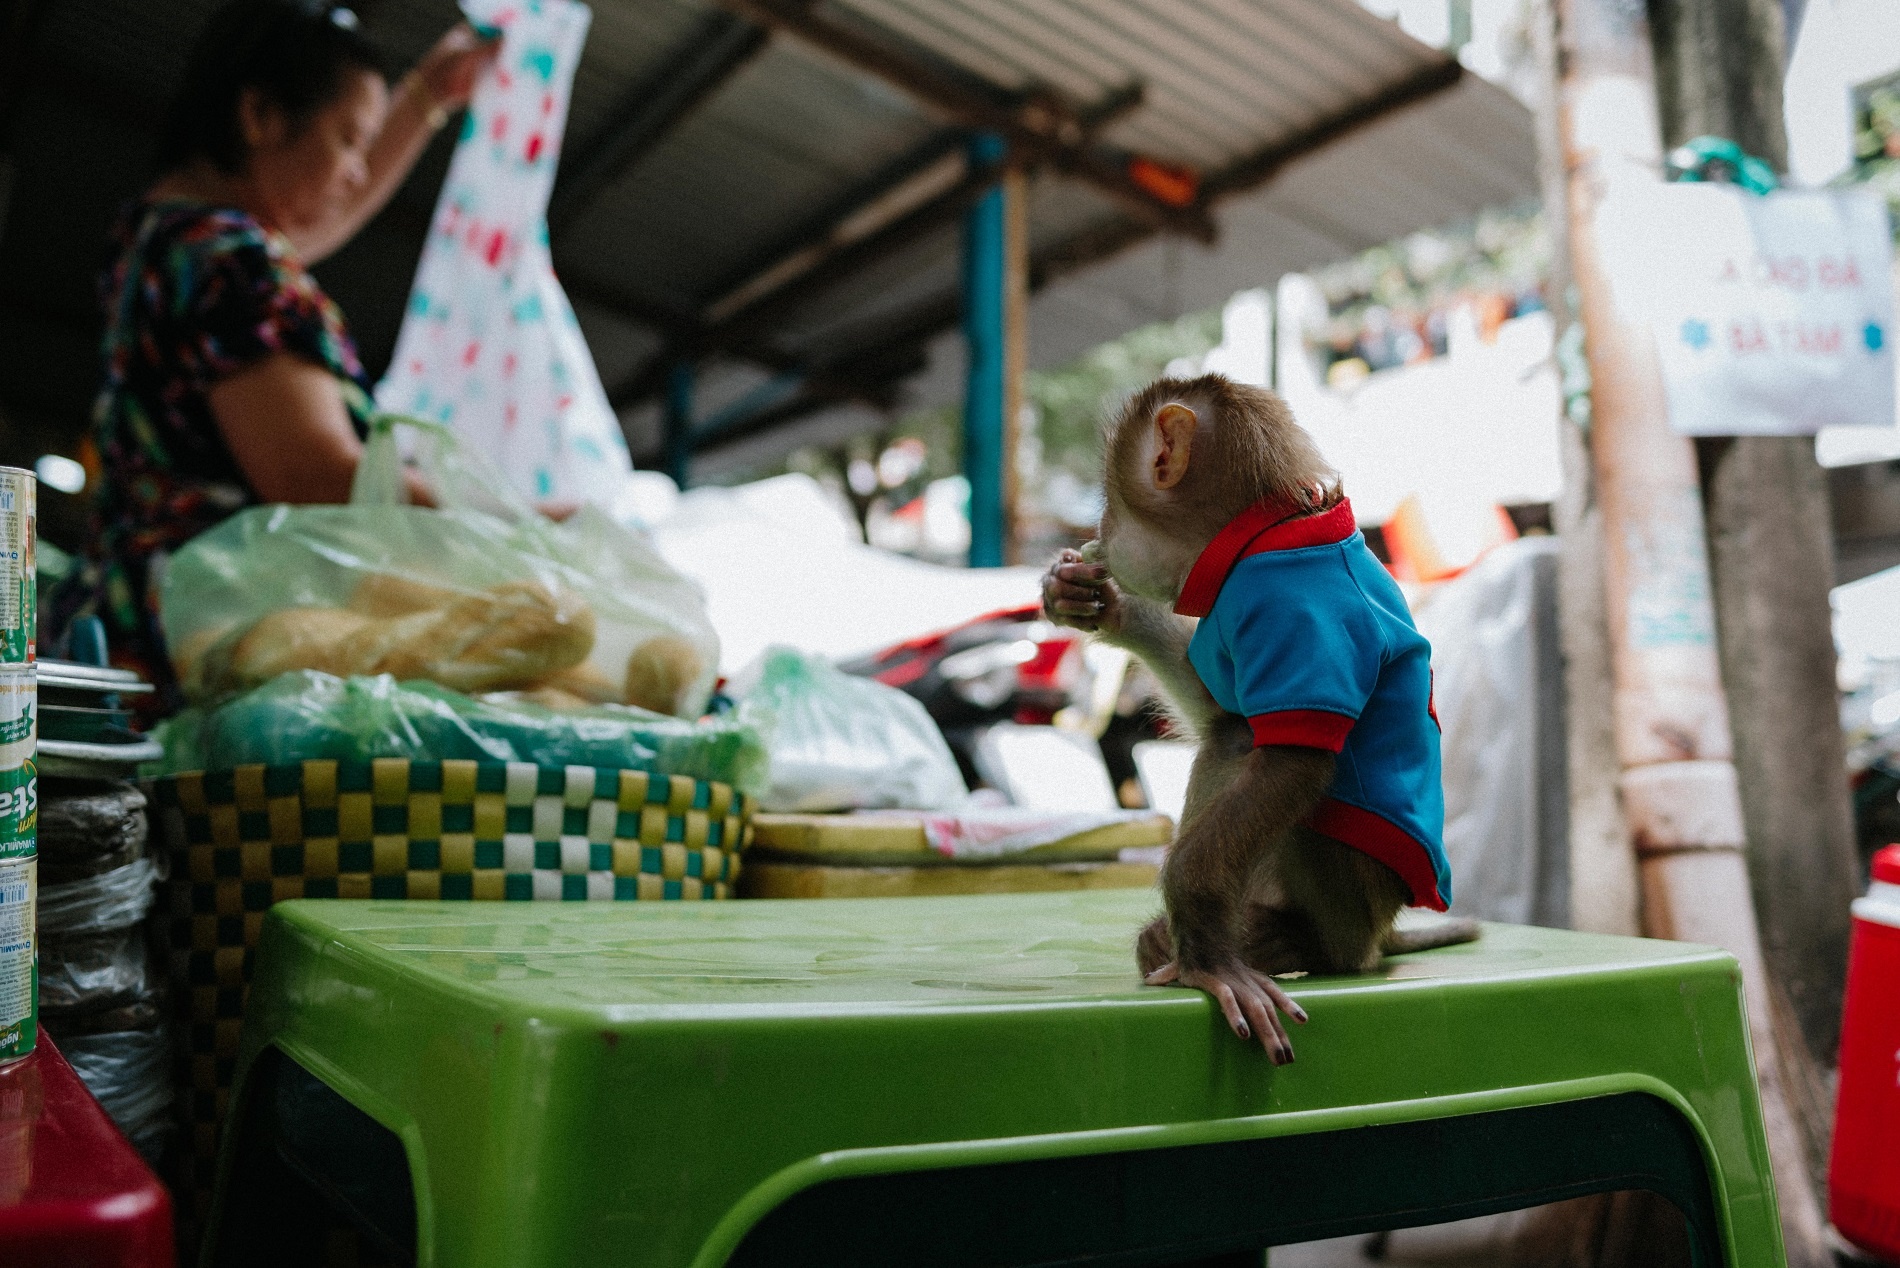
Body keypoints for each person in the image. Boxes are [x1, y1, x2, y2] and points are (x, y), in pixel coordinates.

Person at [61, 0, 499, 705]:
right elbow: (318, 474)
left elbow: (320, 220)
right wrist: (504, 517)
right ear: (260, 115)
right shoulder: (236, 264)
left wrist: (424, 98)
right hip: (198, 650)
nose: (357, 171)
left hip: (123, 624)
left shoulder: (160, 242)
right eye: (350, 139)